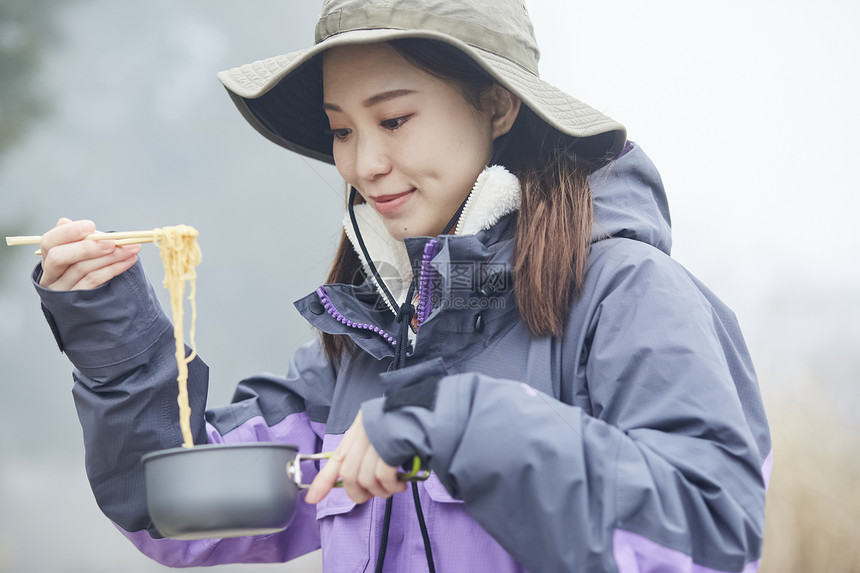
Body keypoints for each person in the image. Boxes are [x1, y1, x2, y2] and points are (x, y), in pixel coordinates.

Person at [32, 0, 772, 571]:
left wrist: (459, 424)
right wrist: (111, 331)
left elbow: (709, 536)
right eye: (343, 130)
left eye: (393, 119)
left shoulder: (632, 296)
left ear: (498, 105)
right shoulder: (365, 343)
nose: (364, 165)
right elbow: (178, 510)